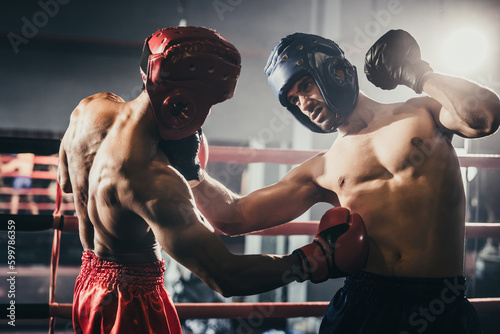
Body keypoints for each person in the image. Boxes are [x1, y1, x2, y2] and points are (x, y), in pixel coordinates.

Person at [171, 30, 500, 333]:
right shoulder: (322, 169)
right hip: (364, 303)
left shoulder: (422, 113)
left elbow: (485, 115)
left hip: (440, 303)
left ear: (336, 71)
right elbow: (233, 216)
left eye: (304, 86)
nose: (303, 103)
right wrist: (189, 169)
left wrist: (418, 73)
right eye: (293, 100)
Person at [57, 26, 368, 334]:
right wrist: (314, 260)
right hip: (132, 304)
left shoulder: (90, 109)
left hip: (89, 286)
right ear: (184, 105)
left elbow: (66, 182)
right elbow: (226, 276)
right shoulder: (155, 183)